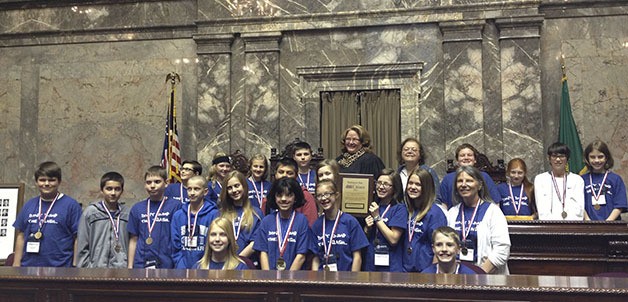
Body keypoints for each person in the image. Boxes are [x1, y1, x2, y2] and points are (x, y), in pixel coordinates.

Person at [12, 161, 82, 267]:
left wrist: (76, 265)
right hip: (28, 268)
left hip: (60, 269)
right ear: (36, 182)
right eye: (42, 180)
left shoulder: (71, 205)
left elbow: (78, 237)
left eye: (51, 180)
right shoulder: (29, 205)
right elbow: (21, 235)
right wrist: (16, 264)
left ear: (59, 181)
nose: (46, 184)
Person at [447, 166, 510, 274]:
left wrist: (478, 275)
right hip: (458, 277)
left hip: (487, 277)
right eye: (460, 181)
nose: (463, 184)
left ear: (479, 185)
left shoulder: (493, 212)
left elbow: (502, 249)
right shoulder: (452, 213)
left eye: (469, 181)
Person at [254, 178, 315, 270]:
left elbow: (301, 255)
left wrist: (288, 281)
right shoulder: (266, 221)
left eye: (289, 195)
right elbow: (263, 252)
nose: (283, 199)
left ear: (295, 198)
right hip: (270, 278)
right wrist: (267, 279)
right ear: (274, 198)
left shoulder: (302, 221)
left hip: (294, 278)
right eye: (279, 195)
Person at [127, 166, 181, 268]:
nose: (152, 186)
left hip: (167, 264)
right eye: (148, 182)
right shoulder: (137, 208)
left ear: (166, 183)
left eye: (157, 182)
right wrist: (130, 266)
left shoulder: (176, 206)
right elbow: (134, 239)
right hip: (141, 264)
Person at [311, 180, 369, 271]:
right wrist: (315, 282)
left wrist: (352, 282)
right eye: (319, 195)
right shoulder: (316, 225)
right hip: (322, 280)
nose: (323, 198)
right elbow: (316, 258)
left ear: (336, 195)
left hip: (345, 279)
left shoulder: (350, 222)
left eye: (327, 194)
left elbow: (357, 257)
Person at [77, 171, 130, 268]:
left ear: (122, 191)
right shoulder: (90, 212)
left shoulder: (127, 213)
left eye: (117, 189)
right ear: (102, 190)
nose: (113, 193)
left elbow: (132, 243)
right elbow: (82, 244)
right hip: (96, 269)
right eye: (109, 189)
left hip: (122, 269)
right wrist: (85, 268)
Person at [402, 168, 448, 272]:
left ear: (426, 187)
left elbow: (440, 247)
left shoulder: (435, 213)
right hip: (403, 270)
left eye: (418, 184)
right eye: (410, 183)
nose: (413, 187)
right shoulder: (404, 210)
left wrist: (433, 274)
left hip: (426, 271)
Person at [363, 168, 407, 272]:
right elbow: (366, 238)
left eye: (386, 184)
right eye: (379, 183)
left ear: (395, 188)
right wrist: (367, 228)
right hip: (371, 262)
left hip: (391, 266)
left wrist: (377, 218)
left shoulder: (399, 209)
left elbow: (393, 239)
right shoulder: (373, 206)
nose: (381, 187)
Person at [171, 175, 218, 269]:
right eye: (189, 189)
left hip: (206, 266)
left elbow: (216, 243)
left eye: (196, 189)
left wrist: (205, 264)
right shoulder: (178, 215)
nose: (192, 193)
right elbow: (175, 245)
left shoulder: (214, 214)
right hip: (182, 268)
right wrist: (180, 265)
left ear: (205, 192)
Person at [436, 143, 501, 209]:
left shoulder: (484, 177)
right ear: (457, 160)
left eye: (469, 155)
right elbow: (443, 204)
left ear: (475, 160)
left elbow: (495, 202)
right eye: (462, 155)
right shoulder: (447, 179)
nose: (466, 158)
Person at [534, 142, 586, 220]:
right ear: (549, 158)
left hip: (572, 226)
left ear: (567, 159)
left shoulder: (577, 180)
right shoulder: (540, 179)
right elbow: (542, 209)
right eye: (554, 156)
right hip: (548, 226)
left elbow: (579, 209)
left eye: (562, 156)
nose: (558, 159)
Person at [218, 171, 263, 261]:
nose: (234, 190)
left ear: (244, 186)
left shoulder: (256, 213)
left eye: (237, 186)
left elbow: (255, 242)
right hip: (224, 262)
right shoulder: (220, 214)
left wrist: (237, 261)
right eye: (229, 188)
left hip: (248, 263)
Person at [262, 157, 318, 226]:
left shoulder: (306, 196)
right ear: (275, 174)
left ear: (296, 176)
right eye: (281, 172)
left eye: (289, 173)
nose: (284, 175)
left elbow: (310, 225)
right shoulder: (269, 196)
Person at [582, 140, 627, 221]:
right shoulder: (581, 180)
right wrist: (587, 220)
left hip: (612, 226)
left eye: (600, 157)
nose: (596, 160)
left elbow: (619, 205)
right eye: (592, 157)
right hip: (587, 226)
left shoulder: (615, 179)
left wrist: (607, 223)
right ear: (587, 158)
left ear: (606, 157)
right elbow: (579, 204)